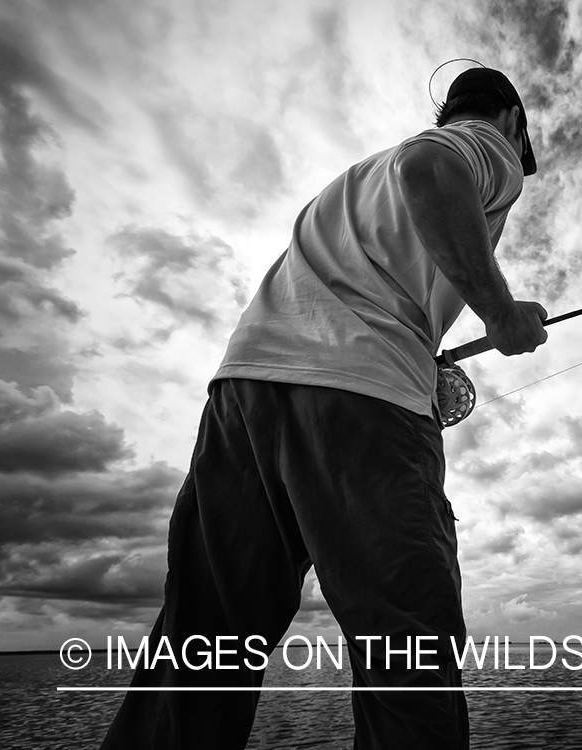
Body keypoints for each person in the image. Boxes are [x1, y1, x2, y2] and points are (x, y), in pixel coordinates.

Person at [99, 66, 547, 750]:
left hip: (243, 394)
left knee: (203, 639)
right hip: (363, 406)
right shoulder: (484, 143)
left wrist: (425, 351)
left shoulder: (349, 184)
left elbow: (355, 285)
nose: (515, 159)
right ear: (512, 120)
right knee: (407, 647)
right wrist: (501, 313)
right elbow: (431, 168)